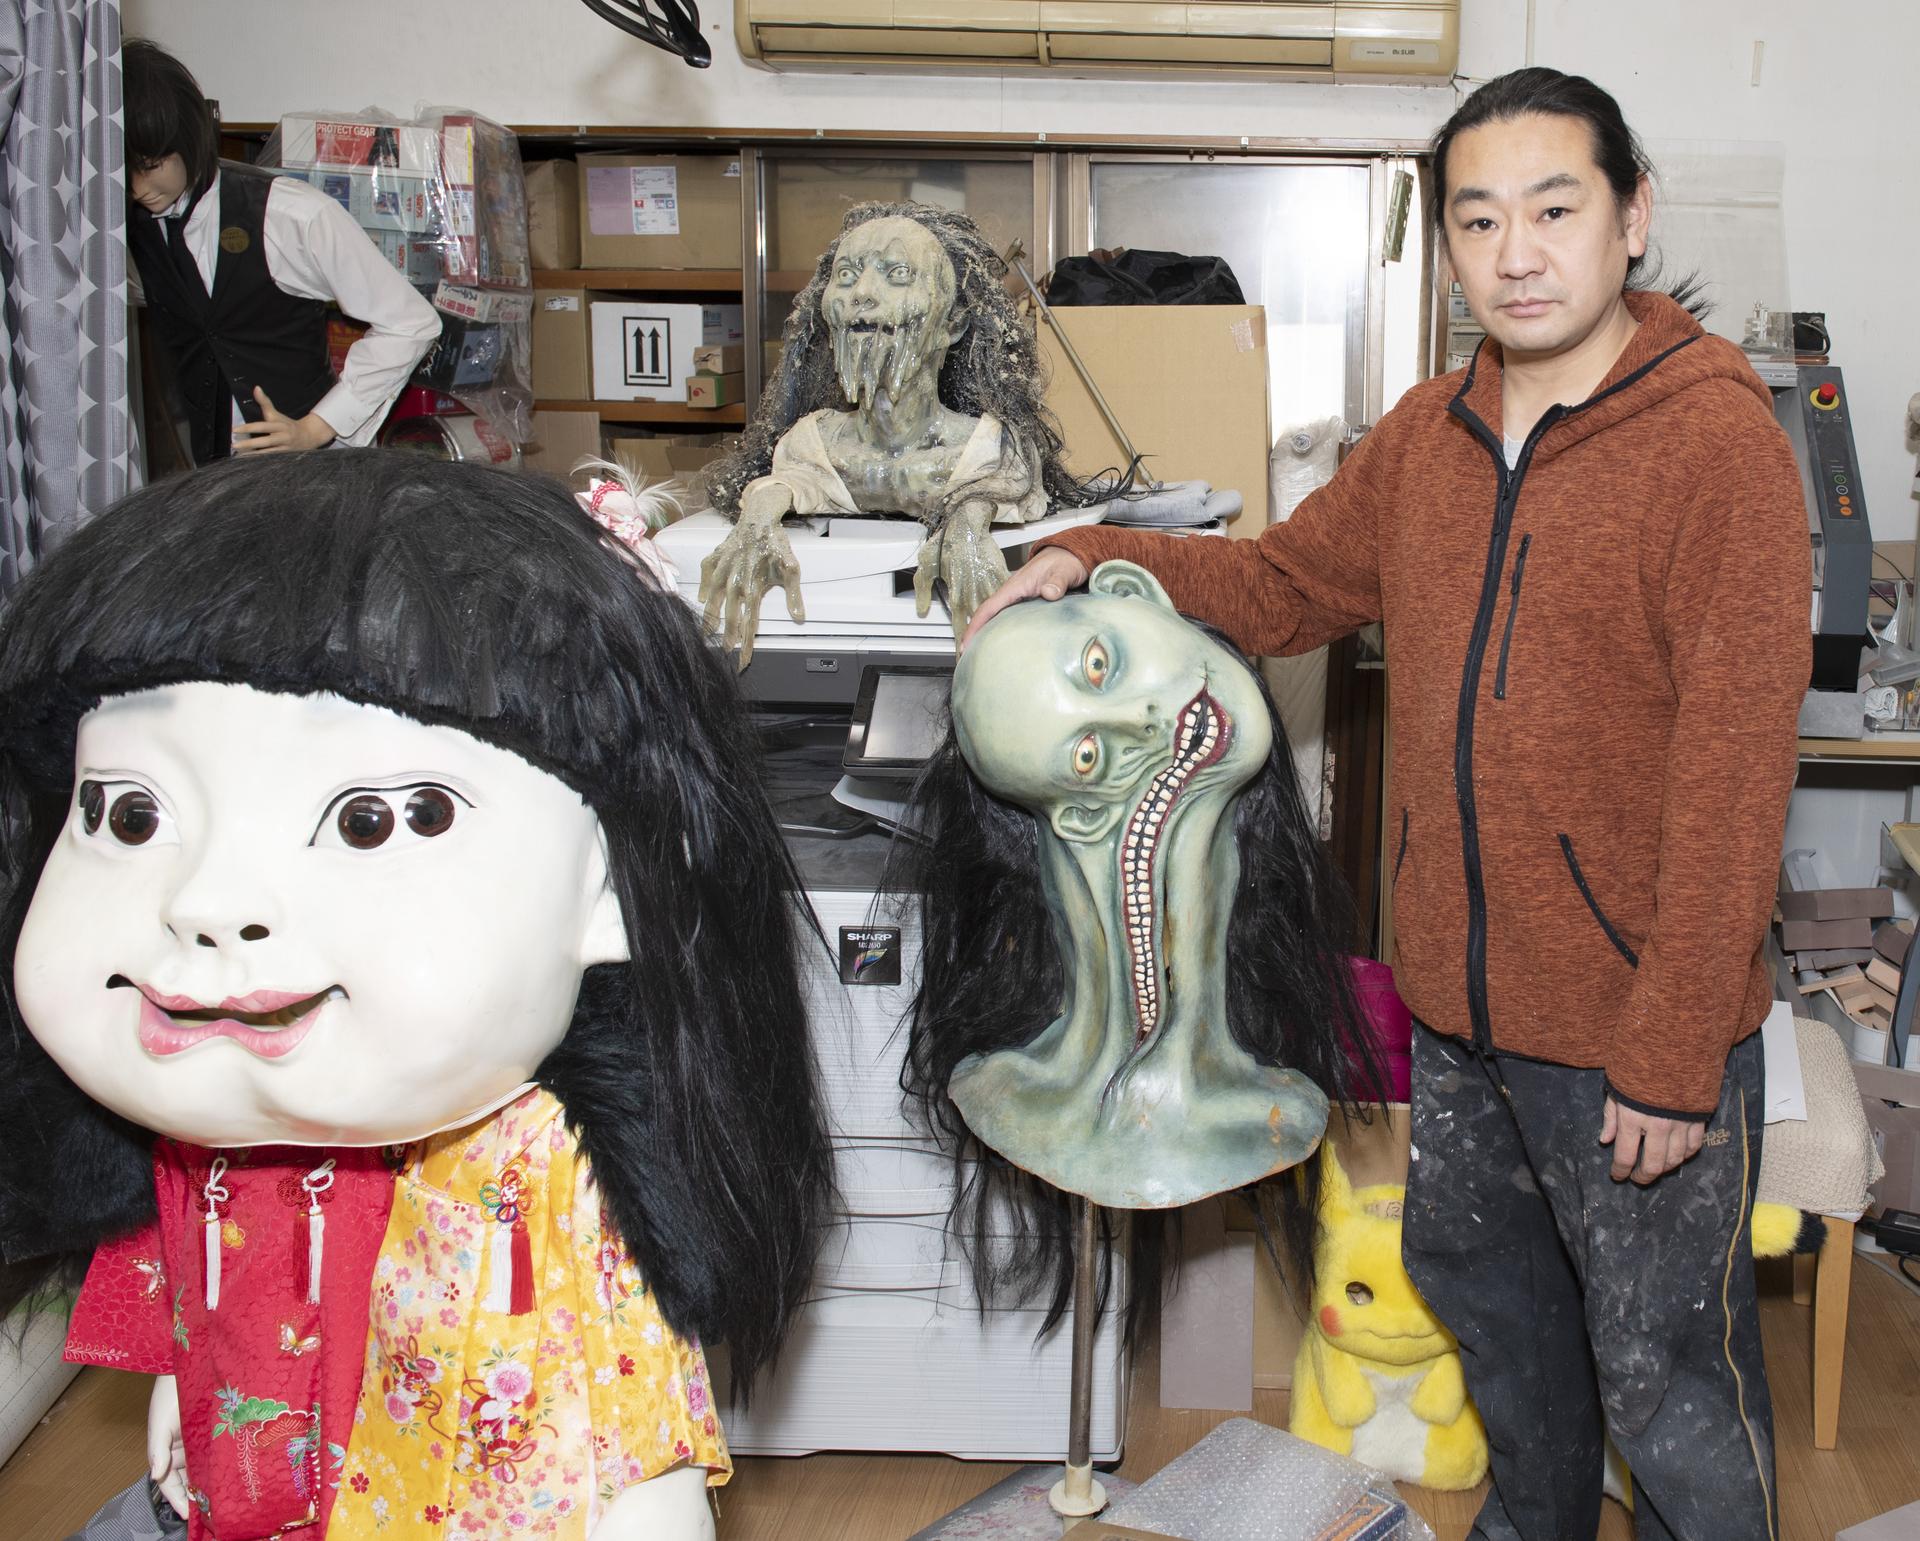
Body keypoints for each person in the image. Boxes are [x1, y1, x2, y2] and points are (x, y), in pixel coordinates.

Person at [968, 67, 1809, 1541]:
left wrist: (1676, 1054)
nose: (1516, 253)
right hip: (1459, 1015)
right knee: (1502, 1329)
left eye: (1554, 209)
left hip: (1632, 1030)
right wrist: (1096, 552)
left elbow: (1737, 778)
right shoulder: (1428, 435)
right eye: (1478, 220)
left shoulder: (1715, 444)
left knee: (1667, 1380)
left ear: (1633, 215)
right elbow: (1285, 584)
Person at [122, 40, 441, 464]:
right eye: (125, 170)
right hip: (210, 474)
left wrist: (316, 427)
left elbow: (410, 323)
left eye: (150, 166)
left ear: (189, 136)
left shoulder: (290, 215)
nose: (139, 188)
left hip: (308, 473)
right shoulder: (123, 227)